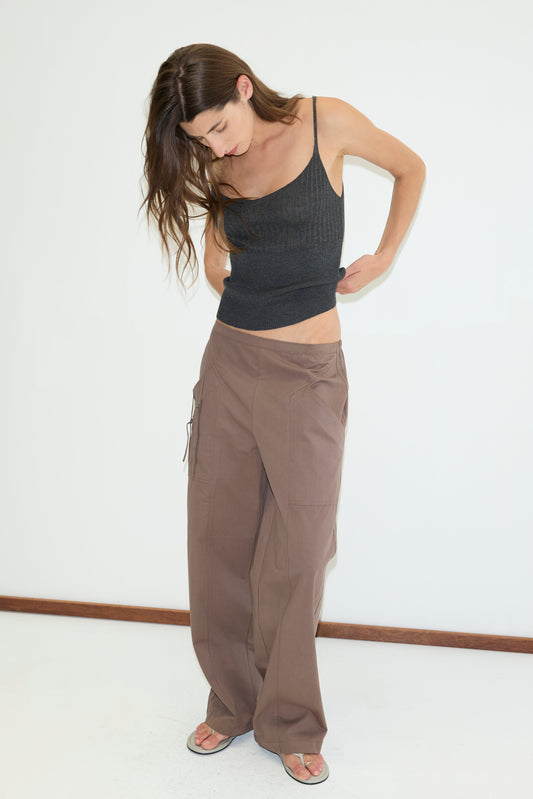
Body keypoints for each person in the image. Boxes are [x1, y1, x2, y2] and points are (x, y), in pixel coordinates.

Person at [142, 42, 425, 785]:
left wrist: (385, 253)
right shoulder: (214, 160)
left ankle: (290, 720)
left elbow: (408, 166)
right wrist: (211, 247)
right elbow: (216, 233)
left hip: (306, 376)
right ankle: (231, 703)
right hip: (230, 364)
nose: (216, 145)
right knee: (217, 541)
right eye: (201, 139)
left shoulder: (323, 121)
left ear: (243, 87)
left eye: (219, 127)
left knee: (296, 553)